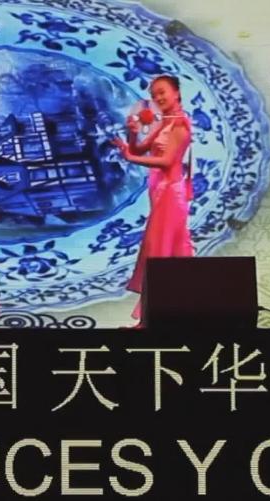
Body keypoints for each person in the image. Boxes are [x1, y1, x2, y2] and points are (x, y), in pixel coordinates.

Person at [113, 75, 195, 326]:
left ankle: (148, 321)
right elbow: (139, 149)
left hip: (171, 194)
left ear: (176, 93)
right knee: (170, 253)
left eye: (162, 92)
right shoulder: (166, 122)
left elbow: (167, 161)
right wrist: (132, 135)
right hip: (160, 193)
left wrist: (131, 158)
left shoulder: (180, 123)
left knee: (158, 254)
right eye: (154, 94)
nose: (158, 98)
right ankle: (178, 312)